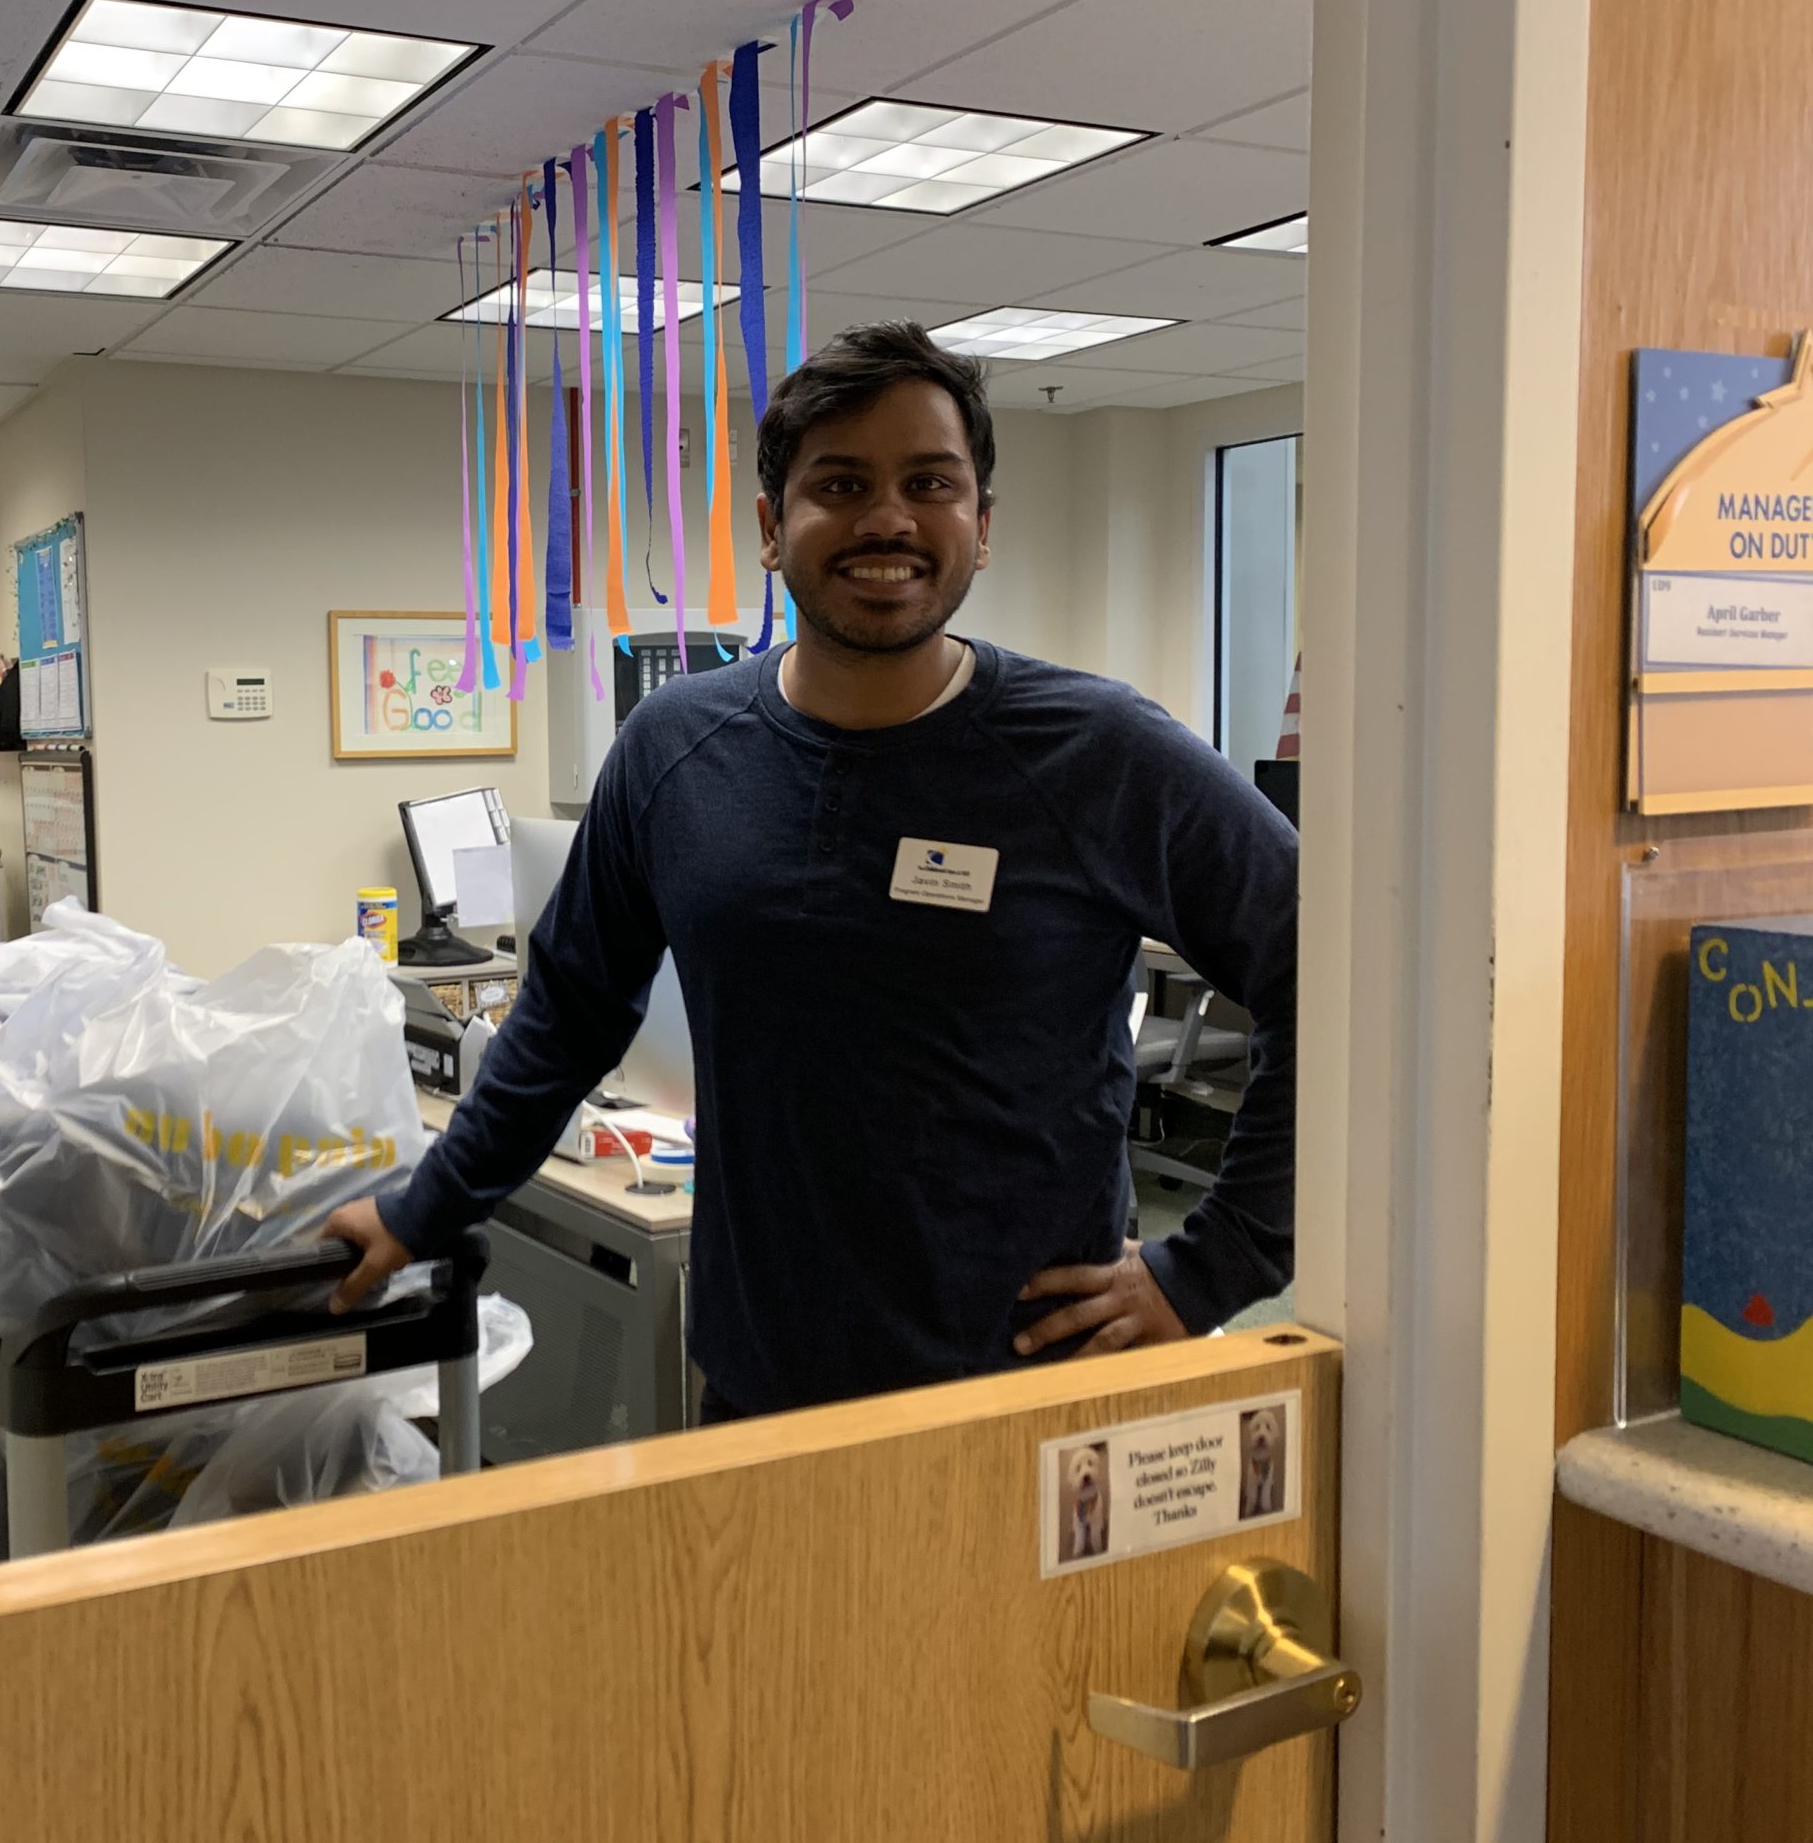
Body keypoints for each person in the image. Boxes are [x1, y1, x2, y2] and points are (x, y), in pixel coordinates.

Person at [324, 319, 1297, 1421]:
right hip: (758, 1381)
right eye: (839, 483)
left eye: (929, 481)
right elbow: (569, 1015)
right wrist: (421, 1210)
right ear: (771, 530)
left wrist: (1213, 1266)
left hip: (1025, 1388)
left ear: (982, 526)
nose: (886, 517)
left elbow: (1330, 968)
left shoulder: (1100, 755)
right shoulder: (674, 749)